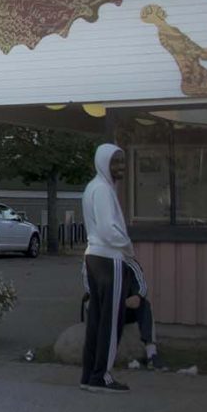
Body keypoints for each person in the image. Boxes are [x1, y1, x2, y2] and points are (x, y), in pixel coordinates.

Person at [80, 142, 165, 393]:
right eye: (115, 162)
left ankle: (89, 375)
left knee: (96, 319)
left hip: (93, 257)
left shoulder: (92, 187)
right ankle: (101, 376)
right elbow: (109, 230)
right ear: (102, 162)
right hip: (109, 258)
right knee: (111, 320)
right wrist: (127, 246)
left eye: (122, 161)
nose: (121, 167)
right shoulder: (104, 190)